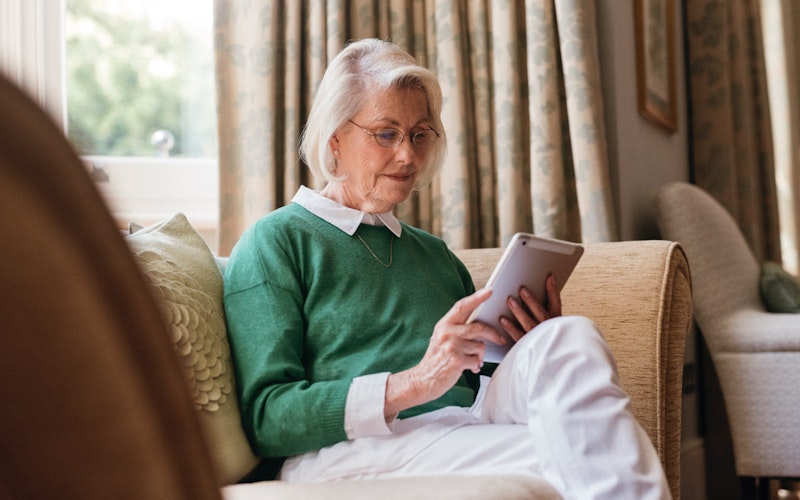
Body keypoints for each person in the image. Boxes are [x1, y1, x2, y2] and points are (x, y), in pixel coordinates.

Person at [223, 38, 670, 499]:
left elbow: (476, 383)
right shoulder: (278, 240)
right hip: (351, 450)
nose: (408, 156)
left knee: (568, 338)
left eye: (419, 134)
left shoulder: (434, 254)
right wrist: (417, 382)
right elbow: (267, 418)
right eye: (386, 133)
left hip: (462, 425)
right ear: (335, 137)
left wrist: (522, 344)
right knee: (583, 451)